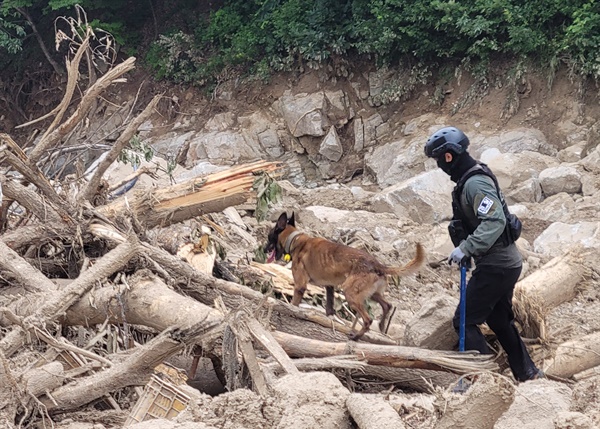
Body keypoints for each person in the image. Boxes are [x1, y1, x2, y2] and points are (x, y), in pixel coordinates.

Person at [424, 126, 543, 382]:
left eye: (438, 160)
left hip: (497, 265)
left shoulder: (475, 183)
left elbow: (494, 222)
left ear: (448, 156)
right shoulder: (471, 177)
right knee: (499, 319)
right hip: (504, 263)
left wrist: (466, 247)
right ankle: (528, 373)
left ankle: (482, 381)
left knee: (464, 321)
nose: (439, 167)